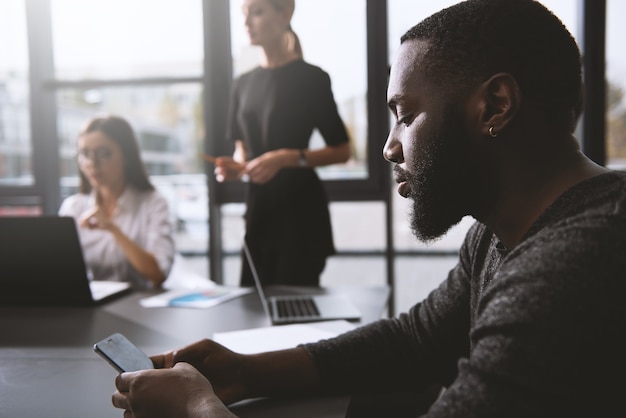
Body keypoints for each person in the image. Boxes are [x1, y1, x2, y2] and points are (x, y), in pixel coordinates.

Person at [111, 0, 626, 416]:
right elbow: (418, 339)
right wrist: (246, 370)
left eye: (404, 115)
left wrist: (198, 408)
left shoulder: (571, 268)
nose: (389, 147)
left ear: (494, 106)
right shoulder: (500, 233)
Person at [214, 0, 351, 287]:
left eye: (257, 12)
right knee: (252, 307)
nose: (247, 22)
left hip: (300, 213)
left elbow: (342, 151)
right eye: (244, 14)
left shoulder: (312, 79)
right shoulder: (242, 84)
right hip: (258, 211)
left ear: (285, 13)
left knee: (296, 310)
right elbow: (242, 149)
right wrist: (237, 167)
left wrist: (287, 157)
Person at [59, 115, 175, 289]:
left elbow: (158, 274)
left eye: (104, 154)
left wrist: (113, 229)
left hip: (139, 308)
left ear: (126, 156)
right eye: (85, 154)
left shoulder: (153, 203)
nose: (92, 163)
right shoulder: (73, 207)